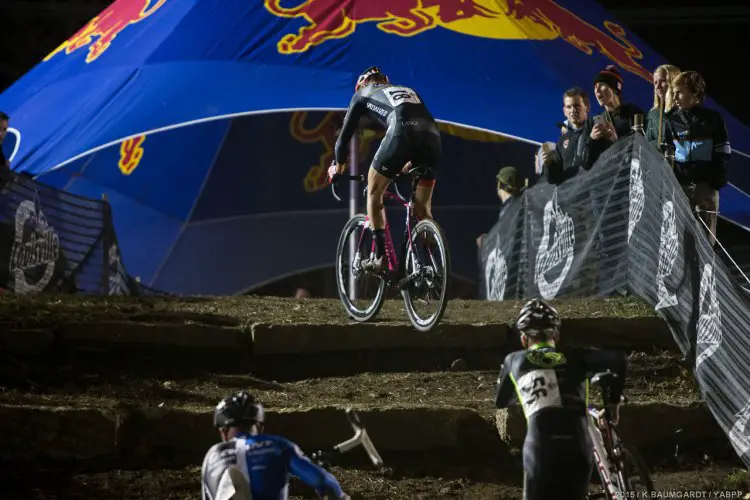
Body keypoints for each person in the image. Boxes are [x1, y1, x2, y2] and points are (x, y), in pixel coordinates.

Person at [495, 298, 628, 500]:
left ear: (524, 339)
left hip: (540, 449)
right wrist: (613, 403)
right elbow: (619, 360)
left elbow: (500, 401)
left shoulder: (513, 360)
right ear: (556, 335)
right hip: (578, 448)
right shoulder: (577, 355)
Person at [329, 66, 442, 274]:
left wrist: (338, 166)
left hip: (402, 130)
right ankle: (433, 265)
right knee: (423, 209)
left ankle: (379, 258)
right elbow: (416, 120)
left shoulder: (362, 94)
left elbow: (343, 140)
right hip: (432, 136)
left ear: (362, 83)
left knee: (374, 190)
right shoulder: (407, 89)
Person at [201, 391, 350, 500]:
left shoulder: (212, 455)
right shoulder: (278, 445)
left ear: (223, 431)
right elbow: (325, 482)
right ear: (259, 427)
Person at [663, 70, 730, 246]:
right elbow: (666, 151)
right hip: (680, 187)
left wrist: (714, 182)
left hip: (705, 188)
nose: (675, 96)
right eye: (674, 92)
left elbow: (723, 151)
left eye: (680, 91)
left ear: (695, 93)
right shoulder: (670, 120)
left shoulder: (713, 119)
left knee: (706, 244)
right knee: (679, 239)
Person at [476, 166, 523, 248]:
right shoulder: (516, 206)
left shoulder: (509, 210)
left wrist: (487, 243)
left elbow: (506, 240)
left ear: (500, 184)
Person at [645, 64, 681, 149]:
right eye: (655, 83)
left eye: (662, 81)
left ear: (673, 82)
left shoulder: (683, 111)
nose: (657, 87)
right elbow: (646, 145)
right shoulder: (652, 113)